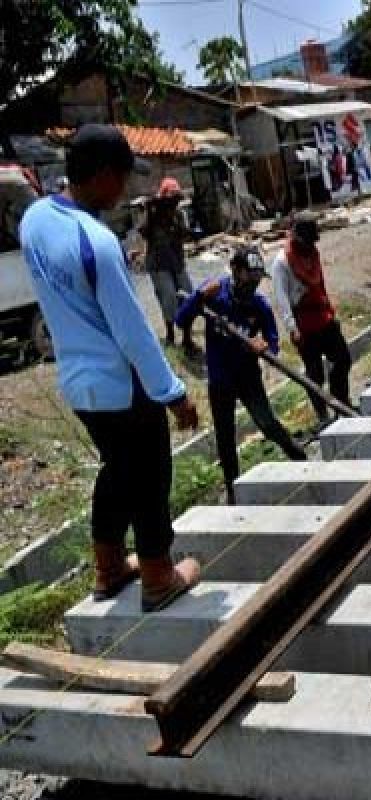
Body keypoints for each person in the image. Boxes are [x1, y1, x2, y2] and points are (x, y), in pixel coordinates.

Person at [18, 124, 201, 612]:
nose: (125, 190)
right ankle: (160, 577)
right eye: (121, 177)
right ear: (99, 176)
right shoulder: (97, 242)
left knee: (117, 471)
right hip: (120, 384)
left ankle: (109, 567)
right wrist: (174, 392)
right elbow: (133, 332)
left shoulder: (35, 219)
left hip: (78, 386)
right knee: (150, 473)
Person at [177, 247, 308, 503]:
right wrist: (200, 297)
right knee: (225, 438)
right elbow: (181, 320)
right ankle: (233, 491)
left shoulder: (258, 305)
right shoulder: (215, 293)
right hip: (220, 379)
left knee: (267, 422)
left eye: (258, 278)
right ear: (236, 271)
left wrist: (264, 347)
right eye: (250, 277)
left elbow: (271, 337)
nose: (254, 283)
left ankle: (299, 457)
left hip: (248, 376)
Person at [270, 212, 354, 424]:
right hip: (304, 324)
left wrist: (329, 307)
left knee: (342, 358)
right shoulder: (282, 263)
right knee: (315, 375)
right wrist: (292, 328)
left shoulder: (312, 254)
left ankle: (341, 402)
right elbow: (282, 299)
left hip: (322, 316)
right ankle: (323, 416)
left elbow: (320, 284)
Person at [142, 177, 195, 353]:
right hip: (159, 263)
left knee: (188, 296)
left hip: (177, 261)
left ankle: (187, 337)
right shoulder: (153, 215)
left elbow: (186, 234)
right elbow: (145, 233)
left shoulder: (179, 215)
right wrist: (151, 212)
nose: (173, 203)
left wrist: (174, 221)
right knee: (169, 297)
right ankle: (171, 335)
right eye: (171, 199)